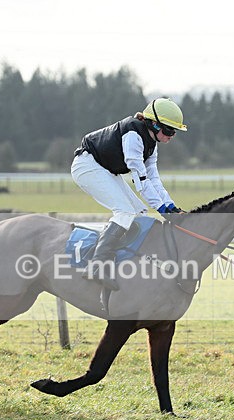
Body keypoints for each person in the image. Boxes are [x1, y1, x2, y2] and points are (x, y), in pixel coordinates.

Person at [71, 97, 187, 290]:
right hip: (87, 166)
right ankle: (97, 265)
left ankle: (125, 263)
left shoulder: (152, 144)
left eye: (175, 131)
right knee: (125, 211)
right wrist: (162, 210)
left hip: (105, 169)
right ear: (154, 125)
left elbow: (154, 179)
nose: (172, 135)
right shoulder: (133, 135)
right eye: (168, 130)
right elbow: (141, 182)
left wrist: (171, 207)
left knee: (141, 213)